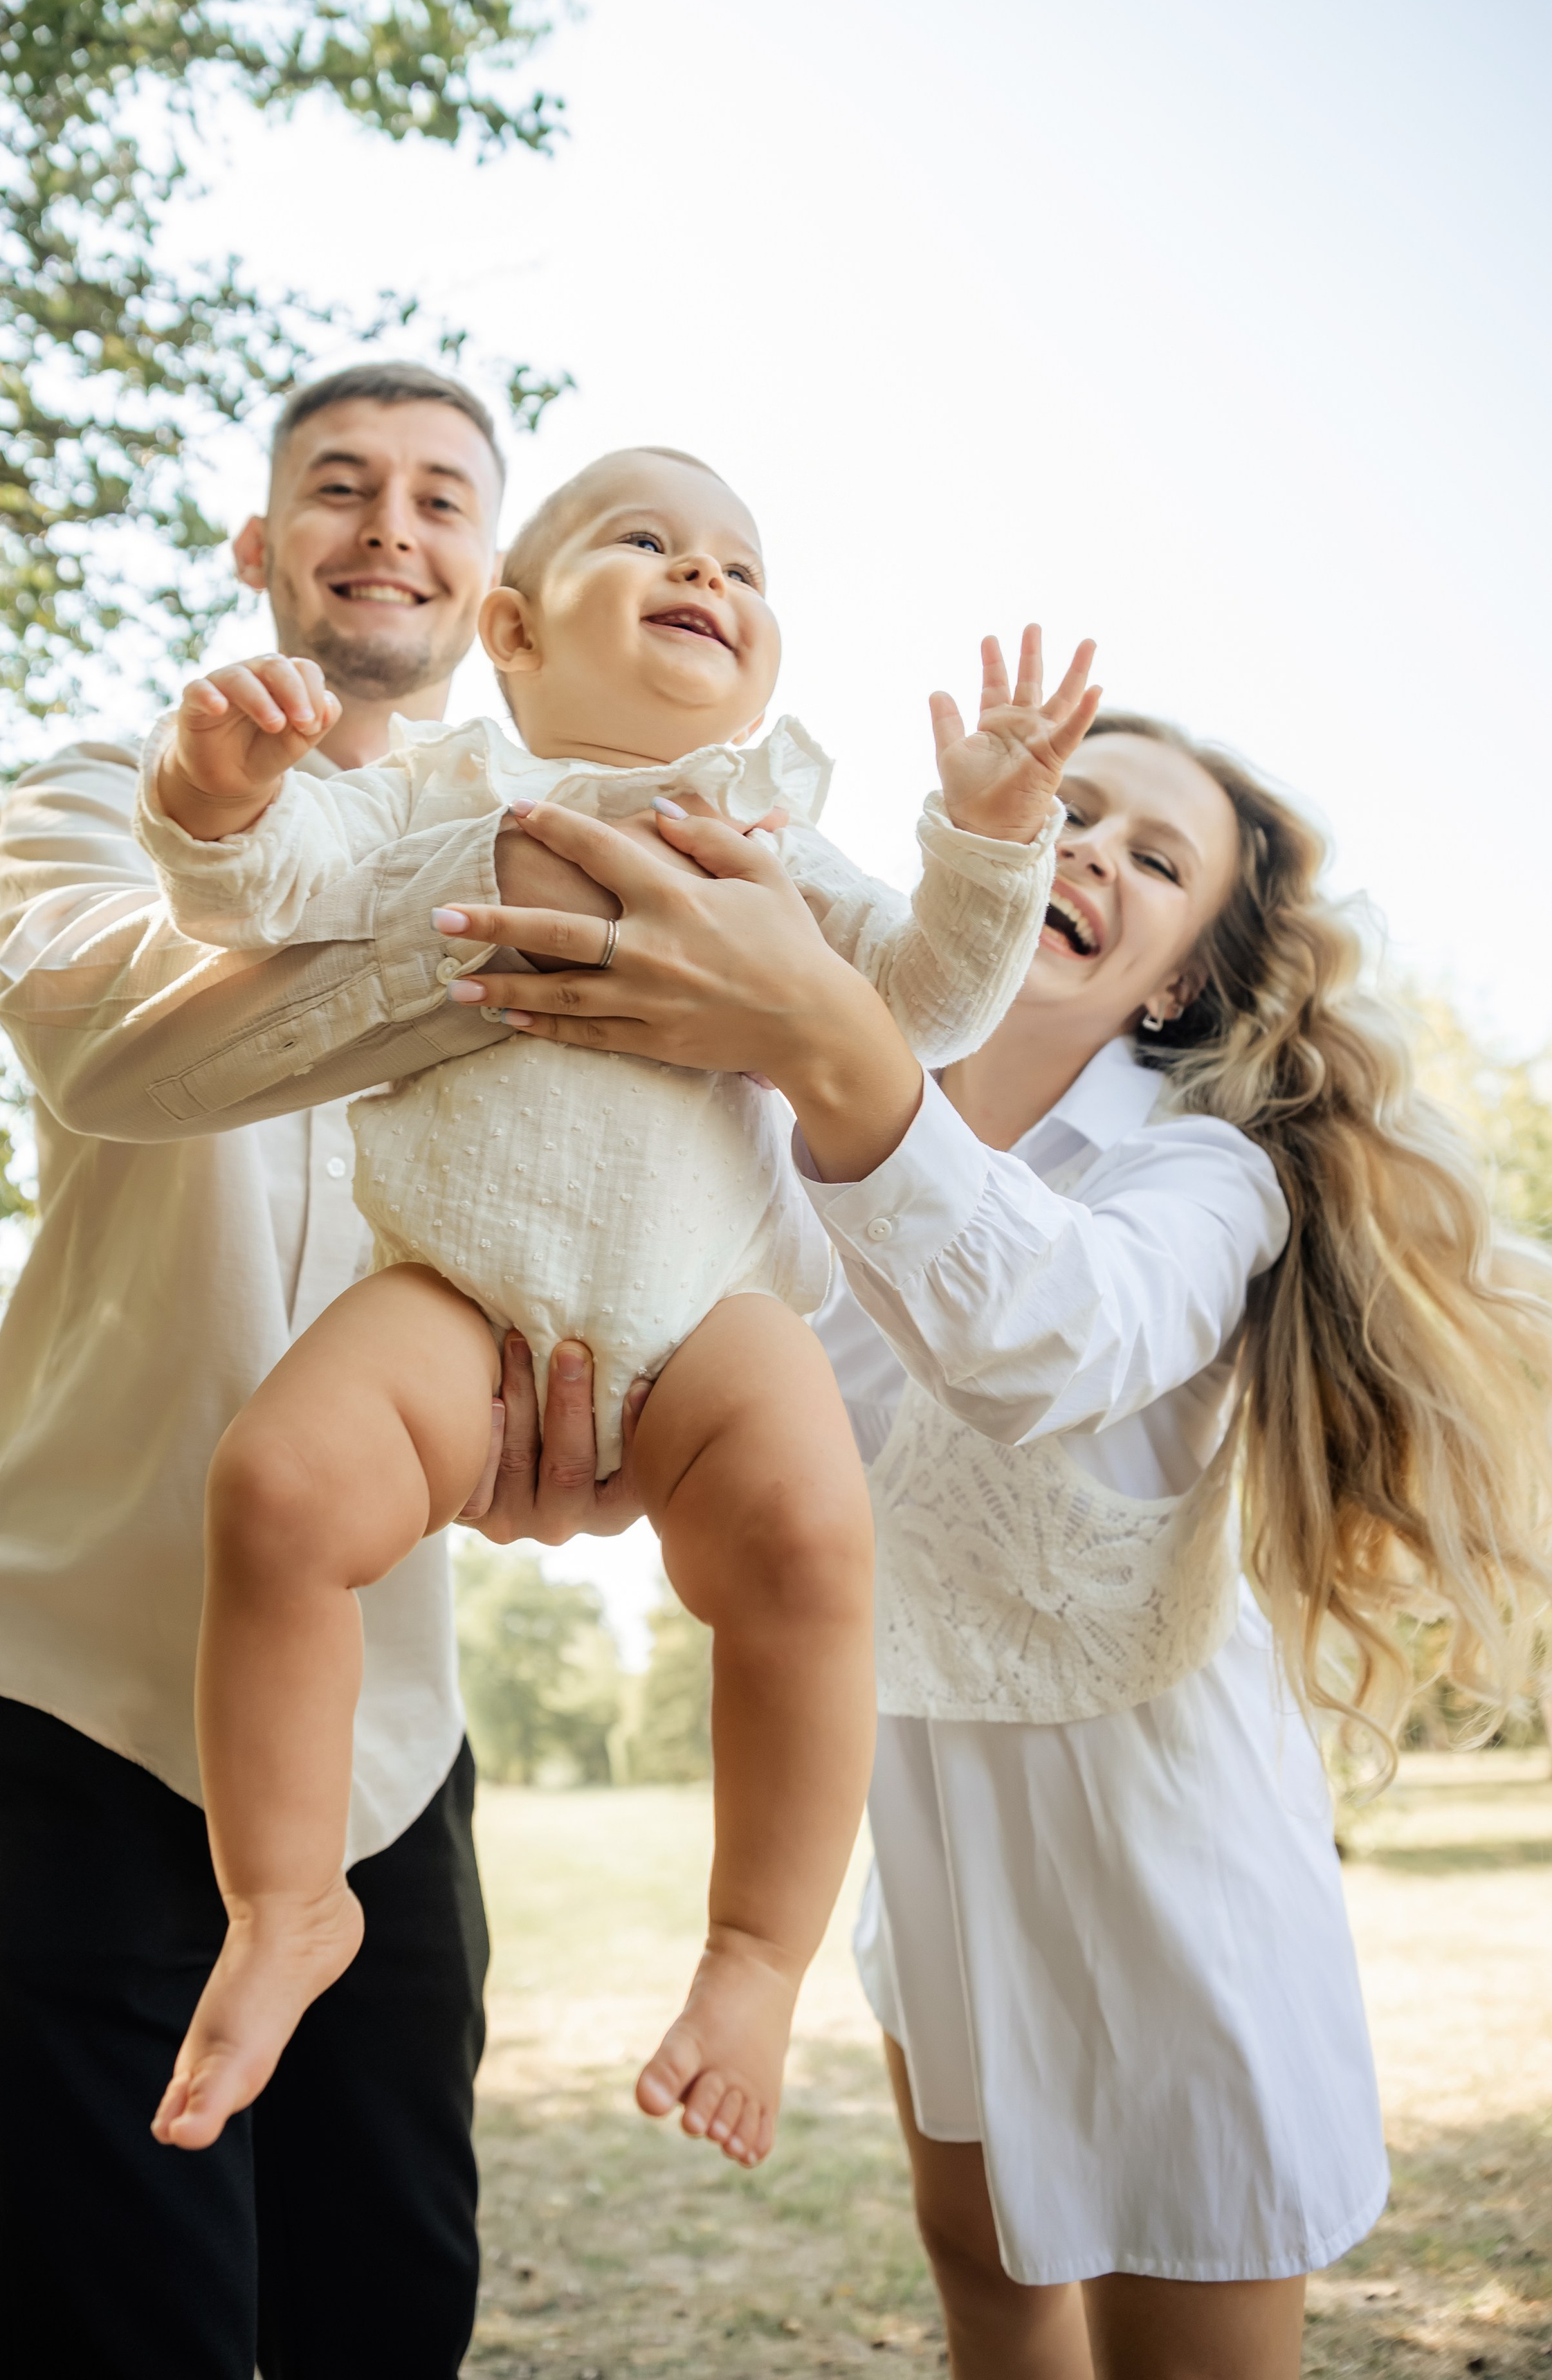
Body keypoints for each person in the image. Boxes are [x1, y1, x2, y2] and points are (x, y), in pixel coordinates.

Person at [426, 684, 1552, 2380]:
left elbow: (1049, 1337)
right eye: (1072, 811)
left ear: (1169, 982)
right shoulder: (764, 1136)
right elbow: (700, 1412)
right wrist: (556, 1460)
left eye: (1152, 858)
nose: (1090, 850)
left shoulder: (1204, 1175)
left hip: (1168, 1872)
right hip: (923, 1832)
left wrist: (829, 1044)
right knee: (986, 2288)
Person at [131, 446, 1096, 2169]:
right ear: (509, 629)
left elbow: (929, 1007)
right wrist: (215, 790)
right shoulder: (438, 787)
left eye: (742, 564)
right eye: (651, 542)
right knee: (274, 1490)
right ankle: (285, 1899)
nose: (707, 575)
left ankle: (753, 1955)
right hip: (451, 1292)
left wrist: (988, 836)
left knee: (811, 1543)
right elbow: (254, 890)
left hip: (709, 1310)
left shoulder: (767, 830)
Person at [0, 361, 631, 2380]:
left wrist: (599, 1420)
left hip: (387, 1720)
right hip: (78, 1674)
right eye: (340, 485)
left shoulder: (560, 847)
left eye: (442, 495)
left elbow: (630, 1204)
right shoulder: (101, 794)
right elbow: (109, 1047)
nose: (389, 523)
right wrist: (514, 949)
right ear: (258, 544)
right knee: (101, 2327)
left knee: (385, 2303)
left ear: (494, 584)